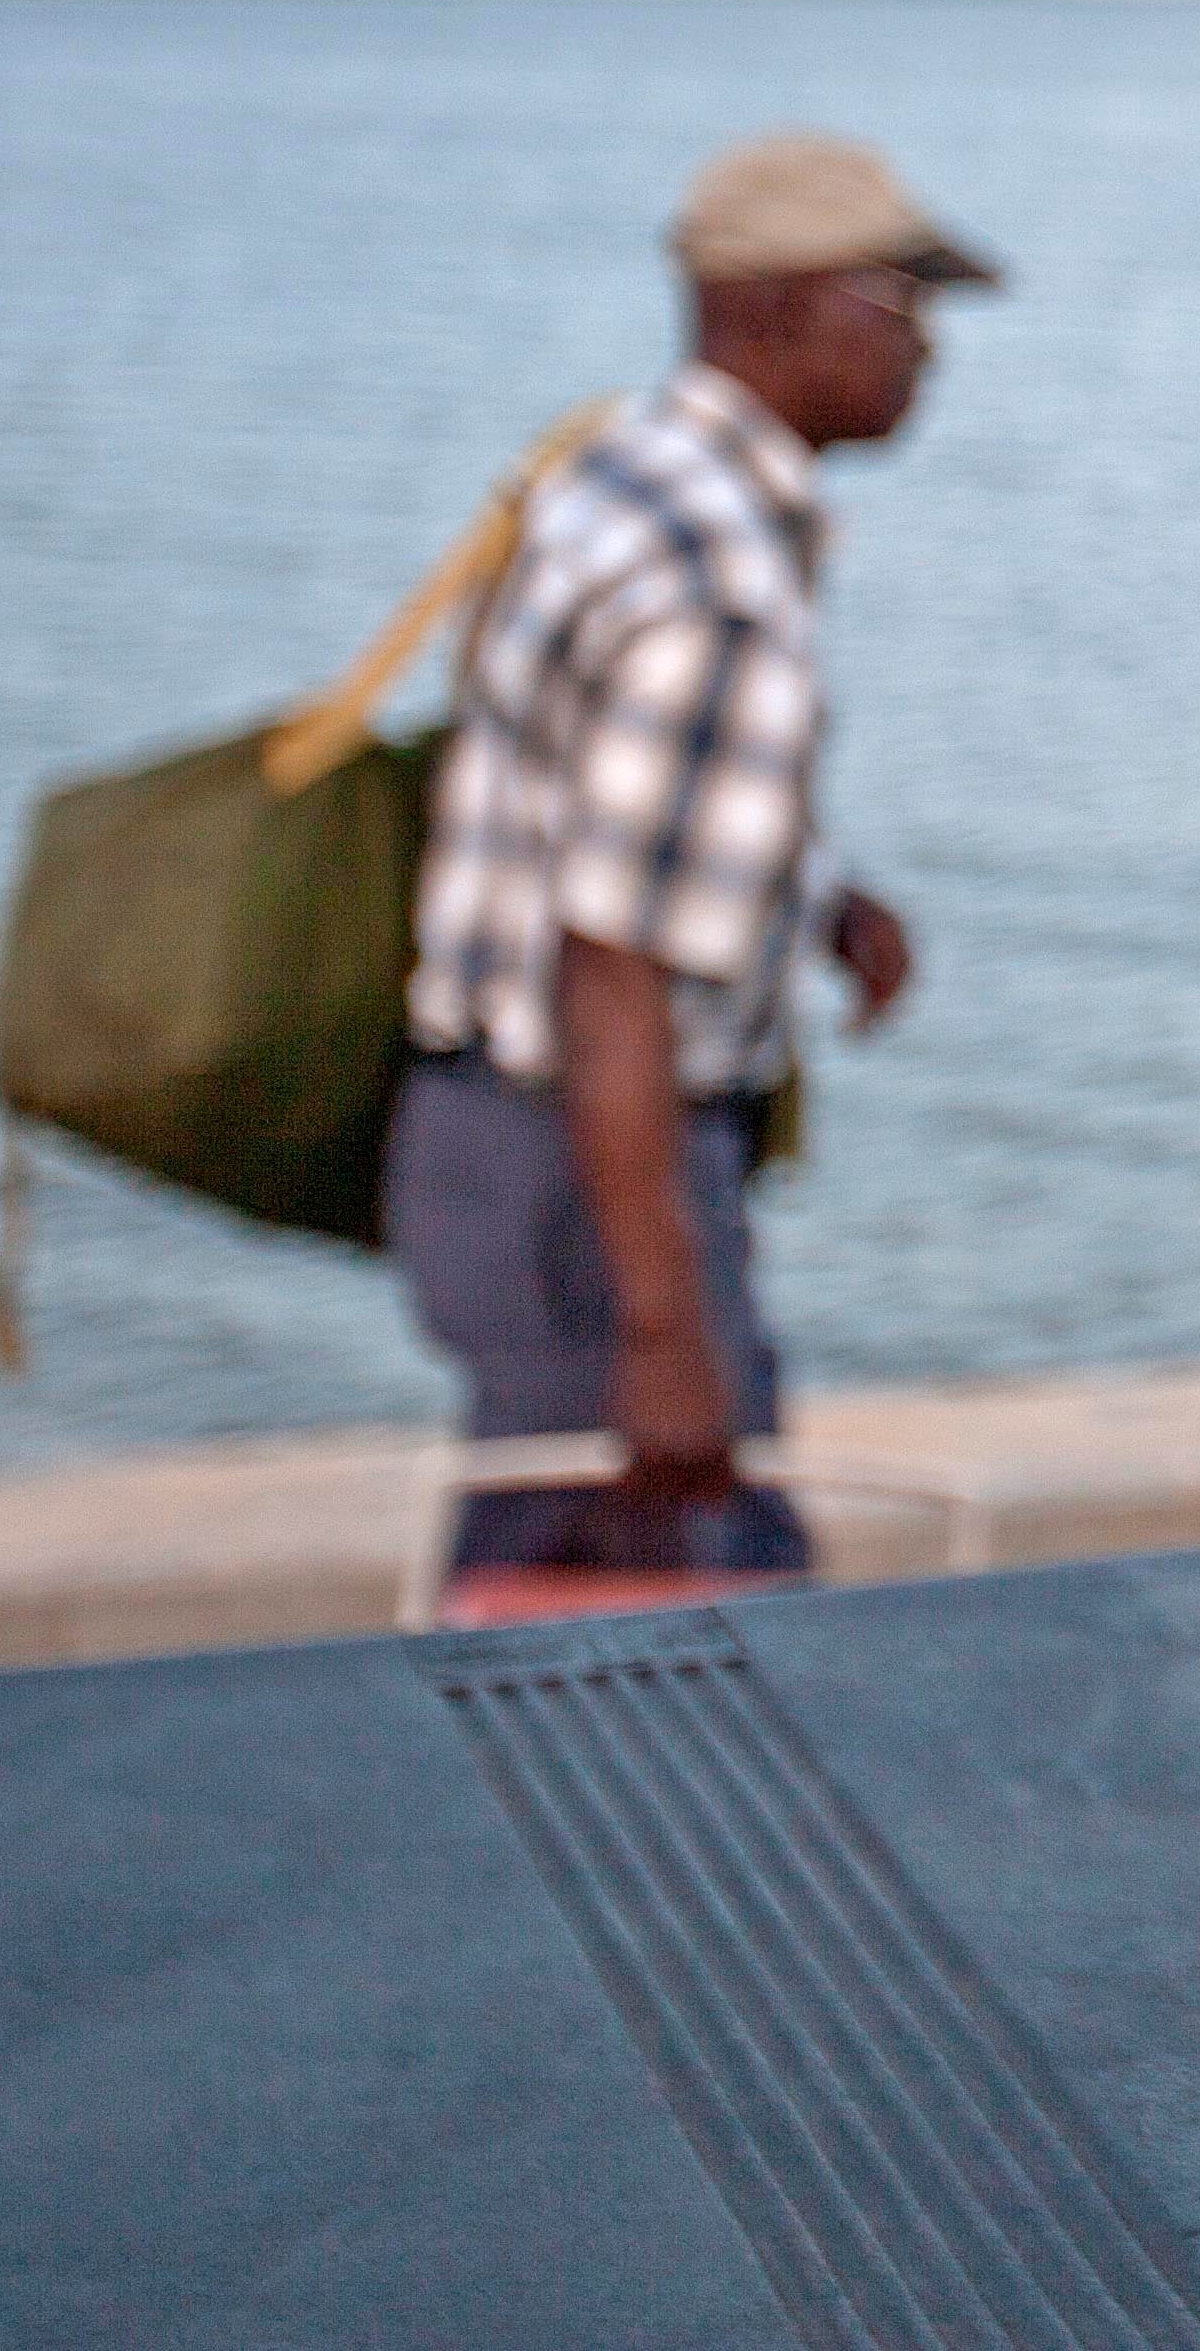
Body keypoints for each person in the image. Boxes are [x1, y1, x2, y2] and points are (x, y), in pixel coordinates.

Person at [388, 130, 1002, 1575]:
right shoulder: (719, 584)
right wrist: (664, 1333)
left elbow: (582, 804)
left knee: (591, 1611)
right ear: (788, 307)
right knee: (662, 1621)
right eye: (905, 306)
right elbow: (612, 970)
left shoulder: (620, 473)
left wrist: (817, 902)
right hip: (592, 1173)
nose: (930, 354)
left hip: (499, 1147)